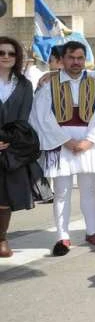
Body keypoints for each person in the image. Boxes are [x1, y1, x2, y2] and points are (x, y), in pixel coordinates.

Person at [29, 41, 95, 256]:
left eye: (80, 58)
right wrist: (66, 140)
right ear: (62, 60)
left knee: (89, 190)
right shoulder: (49, 84)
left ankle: (92, 231)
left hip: (87, 144)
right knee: (62, 192)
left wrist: (89, 141)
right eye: (71, 57)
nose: (76, 62)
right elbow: (43, 116)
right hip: (60, 144)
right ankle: (62, 236)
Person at [0, 36, 37, 258]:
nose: (6, 57)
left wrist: (8, 141)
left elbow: (23, 118)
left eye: (11, 53)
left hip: (11, 148)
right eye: (1, 52)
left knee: (4, 197)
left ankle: (2, 239)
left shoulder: (24, 85)